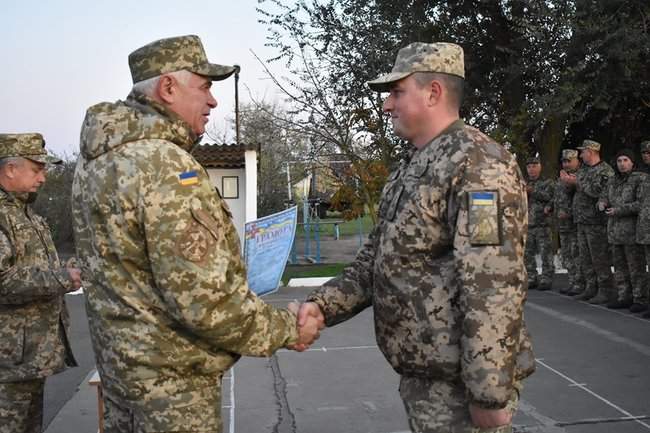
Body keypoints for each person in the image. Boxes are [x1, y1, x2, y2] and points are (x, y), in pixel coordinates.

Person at [71, 35, 322, 432]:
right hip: (173, 396)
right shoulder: (163, 165)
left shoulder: (99, 162)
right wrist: (289, 329)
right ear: (168, 88)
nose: (213, 101)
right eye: (204, 86)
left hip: (123, 379)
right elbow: (204, 301)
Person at [296, 42, 535, 433]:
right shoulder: (413, 165)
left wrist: (488, 392)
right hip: (426, 373)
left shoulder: (479, 165)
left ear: (434, 92)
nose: (387, 105)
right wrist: (321, 307)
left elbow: (492, 284)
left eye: (396, 92)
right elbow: (374, 260)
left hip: (459, 386)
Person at [0, 133, 81, 433]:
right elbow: (4, 279)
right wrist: (62, 278)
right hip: (8, 363)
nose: (43, 178)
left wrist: (69, 269)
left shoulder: (25, 213)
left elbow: (35, 268)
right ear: (10, 169)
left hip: (28, 358)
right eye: (37, 169)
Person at [598, 149, 647, 311]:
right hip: (614, 231)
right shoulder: (612, 180)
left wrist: (618, 210)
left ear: (632, 162)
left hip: (632, 231)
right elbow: (604, 195)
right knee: (619, 268)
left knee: (636, 268)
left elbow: (641, 204)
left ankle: (640, 299)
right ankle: (624, 296)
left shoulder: (640, 179)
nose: (622, 164)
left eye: (626, 160)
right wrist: (602, 203)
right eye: (619, 161)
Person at [569, 140, 615, 304]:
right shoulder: (584, 170)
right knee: (585, 257)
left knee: (599, 258)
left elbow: (597, 192)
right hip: (582, 221)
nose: (581, 155)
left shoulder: (605, 171)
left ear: (591, 152)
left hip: (596, 222)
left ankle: (606, 290)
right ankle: (591, 287)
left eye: (583, 152)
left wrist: (577, 182)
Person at [551, 149, 584, 295]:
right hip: (562, 224)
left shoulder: (580, 177)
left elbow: (581, 201)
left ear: (577, 161)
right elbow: (558, 197)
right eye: (564, 161)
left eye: (569, 161)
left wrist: (568, 213)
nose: (566, 164)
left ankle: (580, 283)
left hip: (574, 223)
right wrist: (550, 206)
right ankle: (572, 282)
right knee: (566, 255)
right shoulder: (561, 178)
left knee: (577, 254)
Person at [524, 155, 554, 291]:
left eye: (534, 166)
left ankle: (546, 278)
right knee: (527, 254)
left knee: (545, 253)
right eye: (529, 167)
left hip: (542, 224)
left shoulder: (547, 183)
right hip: (527, 224)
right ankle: (531, 277)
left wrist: (533, 191)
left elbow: (551, 198)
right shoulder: (523, 183)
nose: (531, 169)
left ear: (540, 167)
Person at [636, 140, 650, 318]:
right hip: (645, 228)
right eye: (644, 152)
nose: (646, 155)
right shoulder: (641, 175)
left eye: (649, 152)